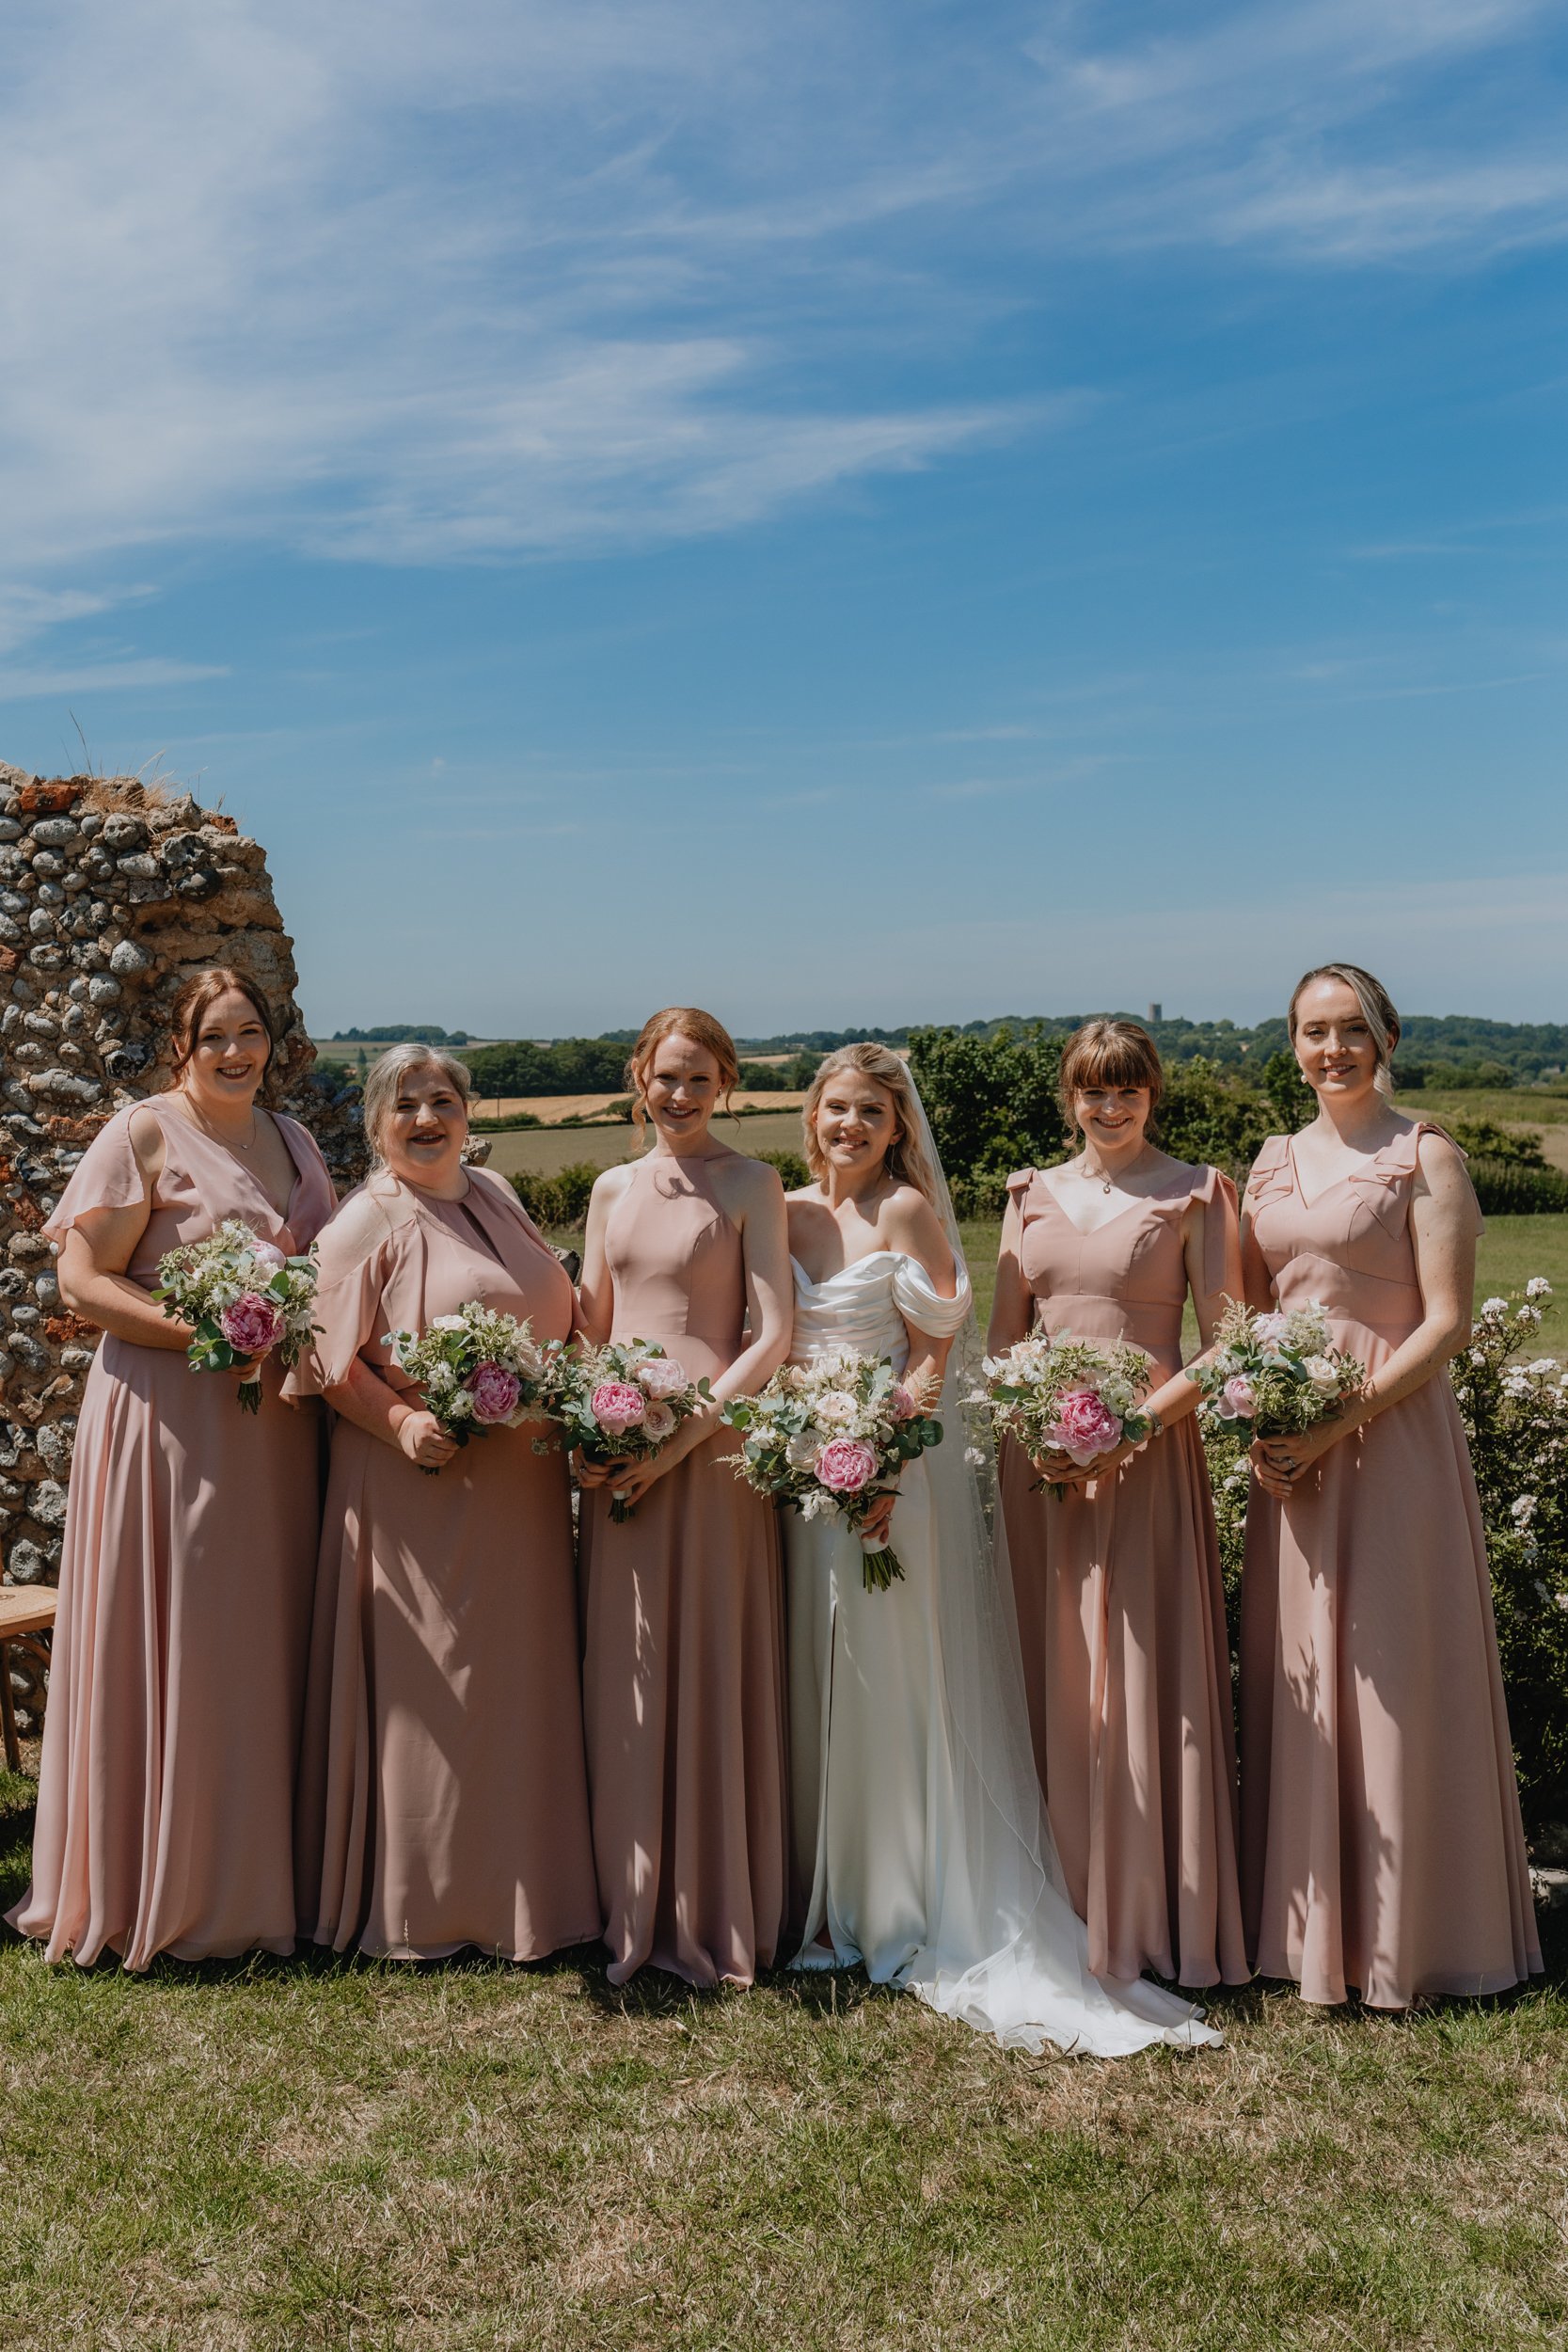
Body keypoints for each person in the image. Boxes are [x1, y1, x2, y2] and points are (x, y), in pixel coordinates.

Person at [783, 1042, 1217, 2054]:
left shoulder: (902, 1210)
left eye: (868, 1113)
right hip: (802, 1474)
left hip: (889, 1469)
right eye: (833, 1109)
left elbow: (942, 1337)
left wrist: (884, 1453)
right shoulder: (788, 1211)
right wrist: (803, 1446)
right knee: (821, 1668)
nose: (848, 1126)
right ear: (811, 1115)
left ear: (897, 1128)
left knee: (892, 1675)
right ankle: (827, 1892)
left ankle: (898, 1899)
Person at [8, 968, 335, 1968]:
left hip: (273, 1428)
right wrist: (198, 1331)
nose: (235, 1052)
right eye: (214, 1036)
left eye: (251, 1033)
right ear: (180, 1046)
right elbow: (80, 1279)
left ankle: (265, 1873)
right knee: (187, 1631)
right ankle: (169, 1880)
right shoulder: (142, 1131)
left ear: (272, 1042)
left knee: (263, 1634)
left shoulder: (296, 1141)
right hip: (169, 1416)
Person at [1240, 963, 1540, 2008]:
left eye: (1350, 1028)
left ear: (1386, 1036)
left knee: (1393, 1671)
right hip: (1287, 1454)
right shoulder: (1269, 1161)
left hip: (1389, 1437)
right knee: (1302, 1675)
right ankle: (1300, 1928)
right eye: (1313, 1031)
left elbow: (1445, 1322)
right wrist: (1260, 1419)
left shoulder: (1426, 1156)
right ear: (1291, 1044)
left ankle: (1410, 1940)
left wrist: (1336, 1420)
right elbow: (1247, 1314)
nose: (1332, 1048)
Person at [288, 1043, 599, 1963]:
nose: (426, 1118)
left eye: (442, 1100)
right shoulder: (361, 1221)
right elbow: (322, 1360)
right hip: (415, 1483)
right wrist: (401, 1425)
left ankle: (529, 1886)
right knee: (439, 1689)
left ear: (468, 1113)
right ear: (377, 1123)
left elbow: (560, 1309)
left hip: (521, 1484)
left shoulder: (494, 1198)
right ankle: (430, 1899)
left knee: (514, 1680)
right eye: (404, 1104)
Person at [990, 1020, 1248, 1989]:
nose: (1108, 1107)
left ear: (1151, 1094)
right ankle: (1051, 1896)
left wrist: (1129, 1426)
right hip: (1040, 1463)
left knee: (1139, 1671)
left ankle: (1149, 1907)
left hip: (1146, 1455)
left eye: (1126, 1089)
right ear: (1069, 1096)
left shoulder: (1195, 1192)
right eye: (1091, 1091)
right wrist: (1043, 1425)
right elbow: (1002, 1334)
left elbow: (1226, 1340)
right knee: (1051, 1664)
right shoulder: (1025, 1194)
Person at [576, 1008, 793, 1987]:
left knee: (706, 1658)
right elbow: (588, 1318)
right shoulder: (609, 1185)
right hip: (621, 1444)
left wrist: (688, 1434)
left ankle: (712, 1899)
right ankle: (624, 1897)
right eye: (664, 1077)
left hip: (711, 1450)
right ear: (638, 1078)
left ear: (726, 1084)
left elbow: (772, 1331)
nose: (678, 1095)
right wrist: (594, 1422)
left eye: (698, 1079)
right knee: (628, 1665)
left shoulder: (752, 1181)